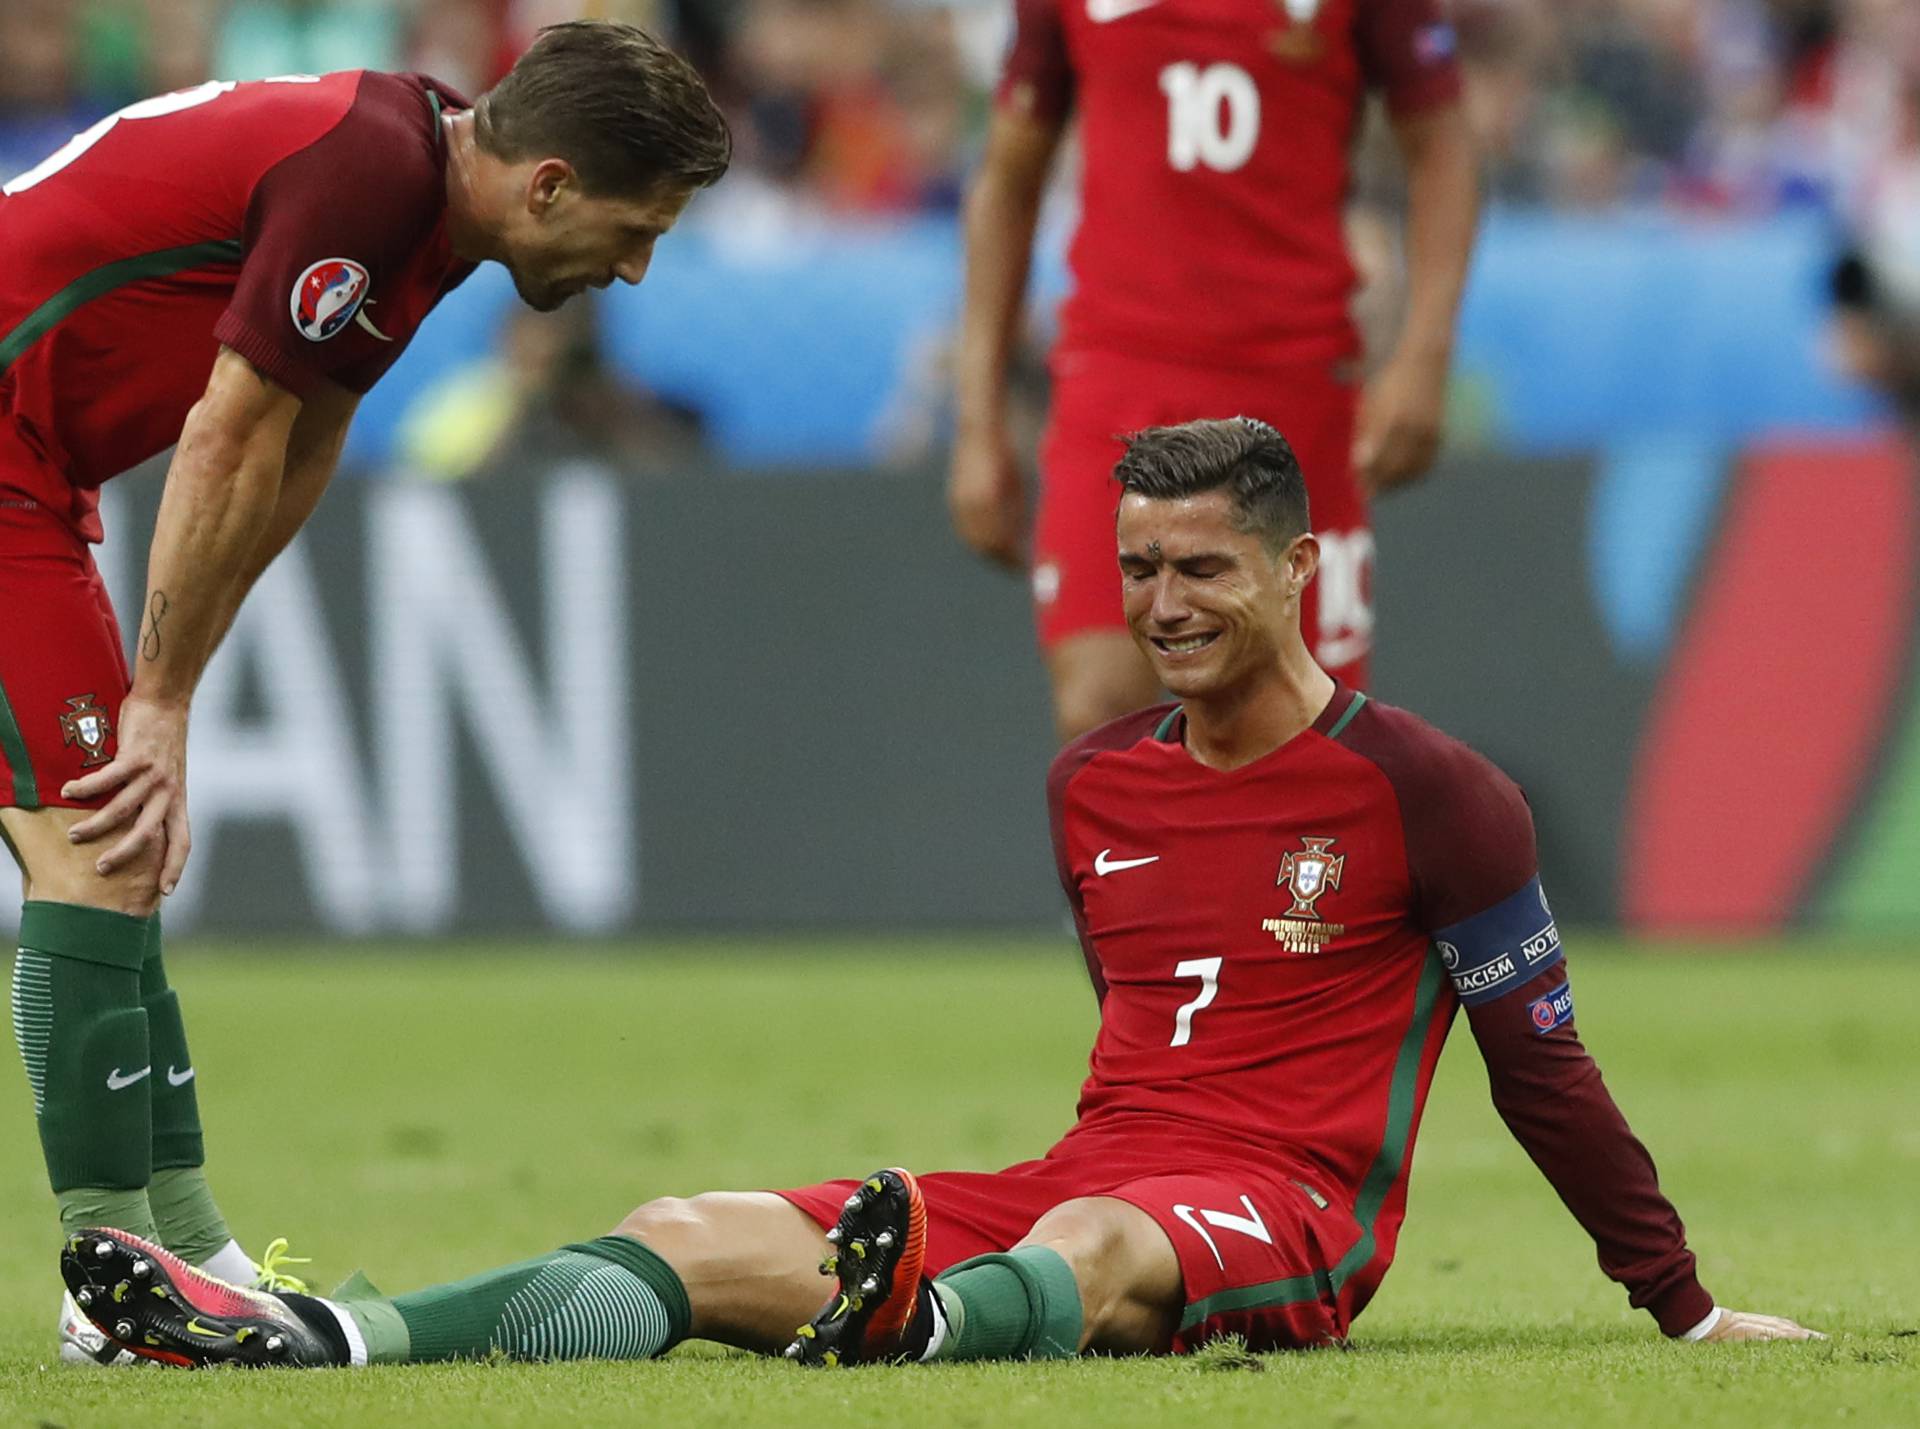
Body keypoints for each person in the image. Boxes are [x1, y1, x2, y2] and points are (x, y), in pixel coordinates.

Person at [61, 418, 1820, 1370]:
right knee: (689, 1220)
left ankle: (904, 1318)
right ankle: (332, 1335)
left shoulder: (1433, 790)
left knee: (1096, 1248)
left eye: (1204, 564)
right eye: (1138, 565)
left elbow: (1543, 1064)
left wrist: (1676, 1300)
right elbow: (1134, 1054)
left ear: (1302, 567)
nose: (1164, 599)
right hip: (1086, 1170)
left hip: (1282, 1209)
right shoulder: (1092, 782)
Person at [0, 20, 729, 1364]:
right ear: (551, 185)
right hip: (7, 452)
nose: (633, 269)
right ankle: (112, 1283)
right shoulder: (373, 173)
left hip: (37, 466)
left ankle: (186, 1240)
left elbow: (303, 439)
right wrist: (158, 700)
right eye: (640, 230)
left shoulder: (427, 198)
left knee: (124, 851)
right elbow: (225, 428)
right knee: (99, 847)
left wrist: (182, 681)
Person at [949, 0, 1481, 744]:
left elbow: (1441, 139)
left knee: (1297, 734)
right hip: (1119, 371)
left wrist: (1425, 357)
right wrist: (979, 420)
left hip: (1293, 378)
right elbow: (1008, 174)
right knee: (1103, 710)